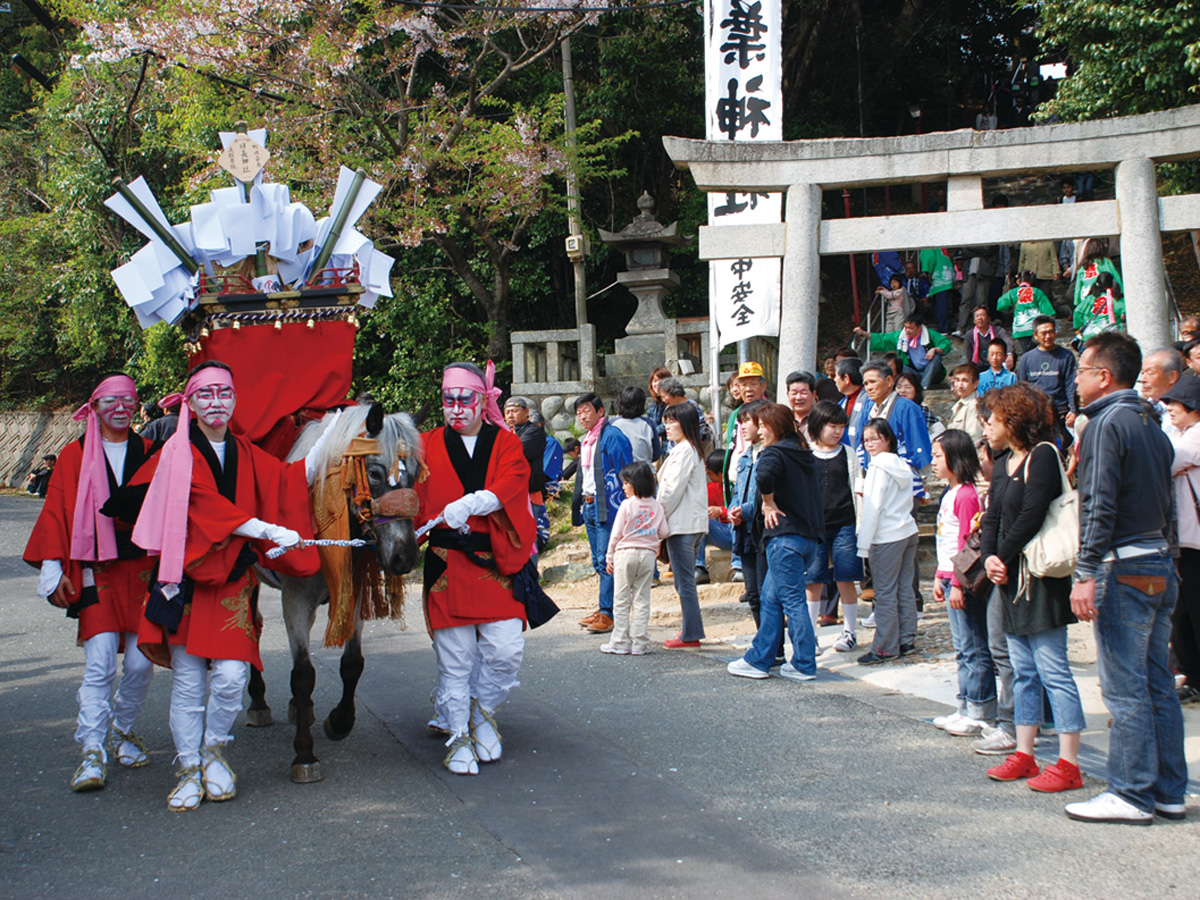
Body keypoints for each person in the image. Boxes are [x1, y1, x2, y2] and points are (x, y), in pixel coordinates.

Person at [128, 361, 322, 810]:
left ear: (234, 399)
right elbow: (205, 505)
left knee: (233, 677)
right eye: (206, 394)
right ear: (191, 402)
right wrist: (266, 530)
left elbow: (285, 478)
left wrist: (328, 441)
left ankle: (214, 749)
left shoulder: (244, 451)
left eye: (224, 394)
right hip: (186, 580)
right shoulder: (177, 452)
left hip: (231, 581)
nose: (216, 403)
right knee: (190, 683)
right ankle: (188, 767)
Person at [1066, 332, 1186, 825]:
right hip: (1158, 560)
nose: (1075, 381)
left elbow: (1098, 503)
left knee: (1124, 687)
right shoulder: (1151, 424)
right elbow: (1169, 504)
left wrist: (1085, 571)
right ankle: (1167, 789)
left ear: (1103, 376)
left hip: (1122, 564)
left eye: (1081, 371)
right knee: (1156, 681)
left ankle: (1130, 791)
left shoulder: (1105, 424)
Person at [23, 374, 157, 792]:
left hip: (140, 569)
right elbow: (58, 511)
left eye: (128, 400)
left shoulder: (151, 451)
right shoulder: (73, 454)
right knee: (99, 663)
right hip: (95, 568)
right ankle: (92, 750)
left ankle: (124, 730)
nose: (121, 407)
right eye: (110, 400)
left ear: (136, 406)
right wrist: (52, 567)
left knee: (140, 662)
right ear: (94, 407)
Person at [414, 361, 536, 777]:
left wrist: (476, 501)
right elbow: (409, 498)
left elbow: (513, 482)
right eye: (448, 399)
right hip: (447, 565)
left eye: (465, 398)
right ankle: (458, 736)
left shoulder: (505, 443)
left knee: (505, 650)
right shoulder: (425, 443)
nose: (456, 407)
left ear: (483, 400)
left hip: (494, 564)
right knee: (457, 659)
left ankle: (481, 711)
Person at [980, 384, 1086, 792]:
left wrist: (1000, 558)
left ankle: (1068, 760)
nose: (987, 426)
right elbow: (992, 516)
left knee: (1053, 669)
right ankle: (1024, 753)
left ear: (1013, 418)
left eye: (993, 418)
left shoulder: (1042, 455)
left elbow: (1031, 514)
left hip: (1038, 577)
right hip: (1008, 575)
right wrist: (990, 556)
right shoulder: (1005, 460)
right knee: (1022, 670)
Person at [726, 402, 823, 681]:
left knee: (793, 602)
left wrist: (767, 502)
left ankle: (804, 663)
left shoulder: (774, 453)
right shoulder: (804, 454)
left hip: (784, 540)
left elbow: (764, 475)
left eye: (764, 426)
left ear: (776, 428)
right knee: (771, 599)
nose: (760, 432)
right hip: (807, 541)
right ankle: (760, 658)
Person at [930, 429, 994, 736]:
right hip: (949, 576)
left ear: (955, 458)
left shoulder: (967, 494)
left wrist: (957, 581)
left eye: (938, 456)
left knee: (973, 645)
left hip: (964, 581)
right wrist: (940, 576)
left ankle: (980, 708)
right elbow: (945, 541)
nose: (933, 462)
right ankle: (965, 704)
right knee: (962, 646)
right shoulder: (950, 492)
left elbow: (967, 542)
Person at [855, 418, 920, 665]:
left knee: (884, 592)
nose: (870, 444)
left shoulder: (879, 467)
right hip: (907, 530)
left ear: (888, 439)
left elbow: (873, 507)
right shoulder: (901, 464)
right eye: (866, 440)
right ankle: (906, 639)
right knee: (904, 588)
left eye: (875, 438)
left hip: (886, 536)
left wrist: (863, 543)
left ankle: (885, 647)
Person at [573, 393, 634, 635]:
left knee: (608, 560)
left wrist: (630, 504)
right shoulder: (588, 438)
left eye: (586, 410)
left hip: (608, 505)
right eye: (578, 413)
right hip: (589, 505)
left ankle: (609, 613)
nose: (582, 416)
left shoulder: (612, 435)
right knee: (599, 561)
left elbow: (625, 469)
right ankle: (604, 609)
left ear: (600, 411)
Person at [807, 401, 861, 652]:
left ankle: (850, 631)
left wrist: (860, 525)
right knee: (813, 580)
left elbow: (856, 488)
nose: (837, 431)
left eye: (841, 426)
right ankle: (810, 634)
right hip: (815, 527)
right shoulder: (806, 454)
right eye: (832, 426)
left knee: (846, 577)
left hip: (845, 525)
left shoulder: (847, 454)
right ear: (818, 425)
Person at [602, 462, 670, 657]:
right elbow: (664, 531)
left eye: (625, 483)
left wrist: (609, 557)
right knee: (642, 599)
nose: (623, 487)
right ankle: (640, 643)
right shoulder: (657, 506)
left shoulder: (627, 505)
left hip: (625, 553)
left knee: (622, 599)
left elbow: (615, 534)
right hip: (648, 556)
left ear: (635, 483)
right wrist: (653, 539)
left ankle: (620, 641)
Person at [657, 402, 709, 649]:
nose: (666, 426)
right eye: (665, 421)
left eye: (672, 421)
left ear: (685, 424)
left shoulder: (685, 450)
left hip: (682, 525)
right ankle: (691, 631)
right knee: (684, 580)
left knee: (684, 581)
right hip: (690, 524)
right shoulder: (688, 449)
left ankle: (690, 634)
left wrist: (656, 521)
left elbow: (670, 492)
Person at [1161, 378, 1200, 705]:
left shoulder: (1196, 437)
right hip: (1183, 541)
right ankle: (1192, 674)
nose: (1169, 408)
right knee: (1182, 612)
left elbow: (1166, 463)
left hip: (1194, 541)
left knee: (1193, 610)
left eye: (1176, 404)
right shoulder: (1179, 435)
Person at [855, 314, 951, 389]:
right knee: (899, 364)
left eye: (911, 328)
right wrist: (864, 334)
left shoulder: (930, 334)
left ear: (919, 327)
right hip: (914, 372)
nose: (908, 331)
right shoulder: (901, 336)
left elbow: (945, 343)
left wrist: (935, 349)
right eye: (906, 327)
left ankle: (924, 386)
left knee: (936, 359)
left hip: (932, 373)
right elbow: (884, 339)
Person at [1015, 315, 1077, 431]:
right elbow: (1022, 389)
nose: (1048, 336)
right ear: (1035, 335)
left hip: (1060, 411)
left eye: (1051, 332)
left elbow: (1071, 385)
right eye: (1043, 333)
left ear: (1056, 333)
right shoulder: (1027, 358)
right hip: (1035, 413)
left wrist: (1073, 410)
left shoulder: (1066, 356)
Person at [504, 396, 548, 552]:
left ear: (526, 412)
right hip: (509, 494)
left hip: (528, 493)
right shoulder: (505, 432)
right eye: (507, 412)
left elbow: (513, 454)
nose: (510, 415)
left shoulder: (533, 432)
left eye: (515, 411)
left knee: (527, 538)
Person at [997, 272, 1057, 353]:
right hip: (1036, 327)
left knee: (1027, 353)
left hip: (1020, 328)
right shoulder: (1037, 292)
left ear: (1018, 281)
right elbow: (1048, 311)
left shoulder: (1012, 293)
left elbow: (1001, 305)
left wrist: (1010, 307)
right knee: (1039, 351)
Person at [1138, 347, 1184, 434]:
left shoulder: (1185, 412)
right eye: (1142, 373)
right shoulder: (1139, 406)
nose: (1142, 379)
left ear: (1172, 376)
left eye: (1150, 372)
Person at [658, 377, 713, 450]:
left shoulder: (691, 406)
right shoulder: (672, 407)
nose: (663, 400)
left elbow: (701, 430)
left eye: (664, 396)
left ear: (673, 393)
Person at [611, 385, 661, 466]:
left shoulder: (612, 424)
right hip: (644, 471)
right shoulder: (648, 424)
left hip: (619, 472)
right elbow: (656, 455)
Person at [962, 305, 1016, 373]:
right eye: (977, 316)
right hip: (981, 366)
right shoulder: (969, 335)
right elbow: (969, 356)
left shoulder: (998, 330)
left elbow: (1008, 342)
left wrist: (1010, 354)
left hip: (998, 362)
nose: (980, 318)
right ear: (974, 320)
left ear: (988, 318)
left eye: (983, 315)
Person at [1075, 271, 1125, 341]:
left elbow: (1077, 311)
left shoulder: (1091, 298)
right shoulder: (1118, 300)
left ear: (1097, 284)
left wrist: (1079, 325)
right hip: (1111, 336)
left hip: (1090, 335)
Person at [918, 246, 957, 333]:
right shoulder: (939, 245)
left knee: (941, 306)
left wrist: (926, 271)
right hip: (947, 276)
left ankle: (943, 329)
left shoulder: (928, 245)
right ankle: (945, 326)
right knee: (945, 305)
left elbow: (928, 259)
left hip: (940, 278)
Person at [896, 372, 944, 440]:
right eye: (899, 387)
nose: (902, 390)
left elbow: (940, 431)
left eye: (907, 387)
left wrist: (925, 441)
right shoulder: (890, 409)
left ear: (916, 390)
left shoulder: (922, 410)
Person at [946, 365, 984, 442]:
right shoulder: (959, 404)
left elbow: (974, 438)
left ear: (975, 384)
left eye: (965, 381)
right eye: (957, 380)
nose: (960, 385)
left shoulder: (974, 405)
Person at [835, 356, 866, 449]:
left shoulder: (869, 402)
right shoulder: (842, 403)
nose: (834, 380)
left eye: (836, 376)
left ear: (846, 378)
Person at [785, 370, 817, 442]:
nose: (798, 397)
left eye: (804, 392)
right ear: (788, 394)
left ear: (814, 394)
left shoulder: (822, 418)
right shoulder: (784, 420)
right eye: (794, 393)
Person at [647, 366, 672, 440]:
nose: (657, 384)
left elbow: (668, 424)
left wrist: (653, 432)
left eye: (661, 381)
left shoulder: (672, 403)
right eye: (655, 380)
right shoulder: (653, 405)